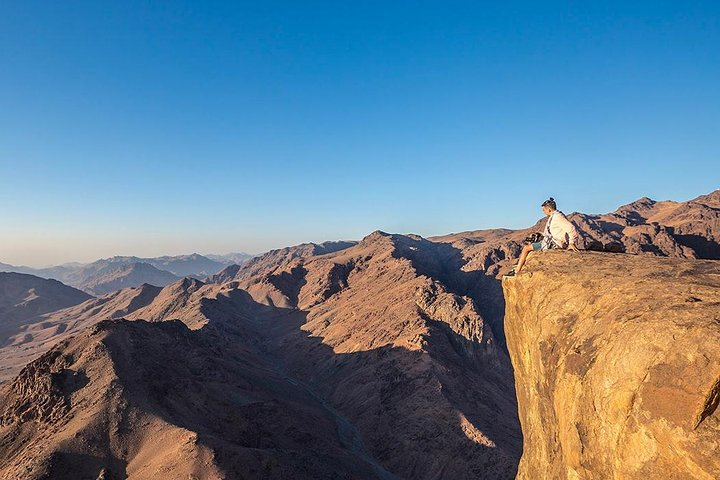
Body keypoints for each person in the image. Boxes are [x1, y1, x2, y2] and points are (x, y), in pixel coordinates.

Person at [505, 197, 580, 277]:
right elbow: (550, 232)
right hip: (551, 241)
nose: (543, 212)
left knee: (526, 248)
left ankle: (517, 271)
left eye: (544, 210)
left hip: (554, 244)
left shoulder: (558, 217)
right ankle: (519, 266)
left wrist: (572, 243)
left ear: (549, 210)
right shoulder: (554, 216)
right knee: (532, 241)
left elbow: (571, 228)